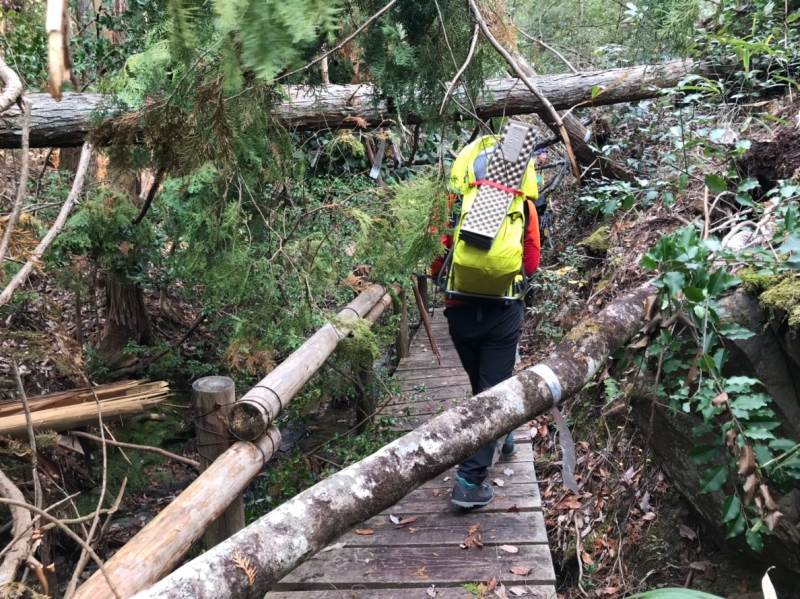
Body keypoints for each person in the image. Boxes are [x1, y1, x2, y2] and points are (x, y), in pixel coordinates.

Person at [431, 134, 541, 509]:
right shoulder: (523, 205)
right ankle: (469, 481)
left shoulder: (455, 204)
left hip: (460, 309)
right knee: (492, 391)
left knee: (484, 387)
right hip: (502, 311)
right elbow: (531, 262)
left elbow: (436, 259)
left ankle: (500, 432)